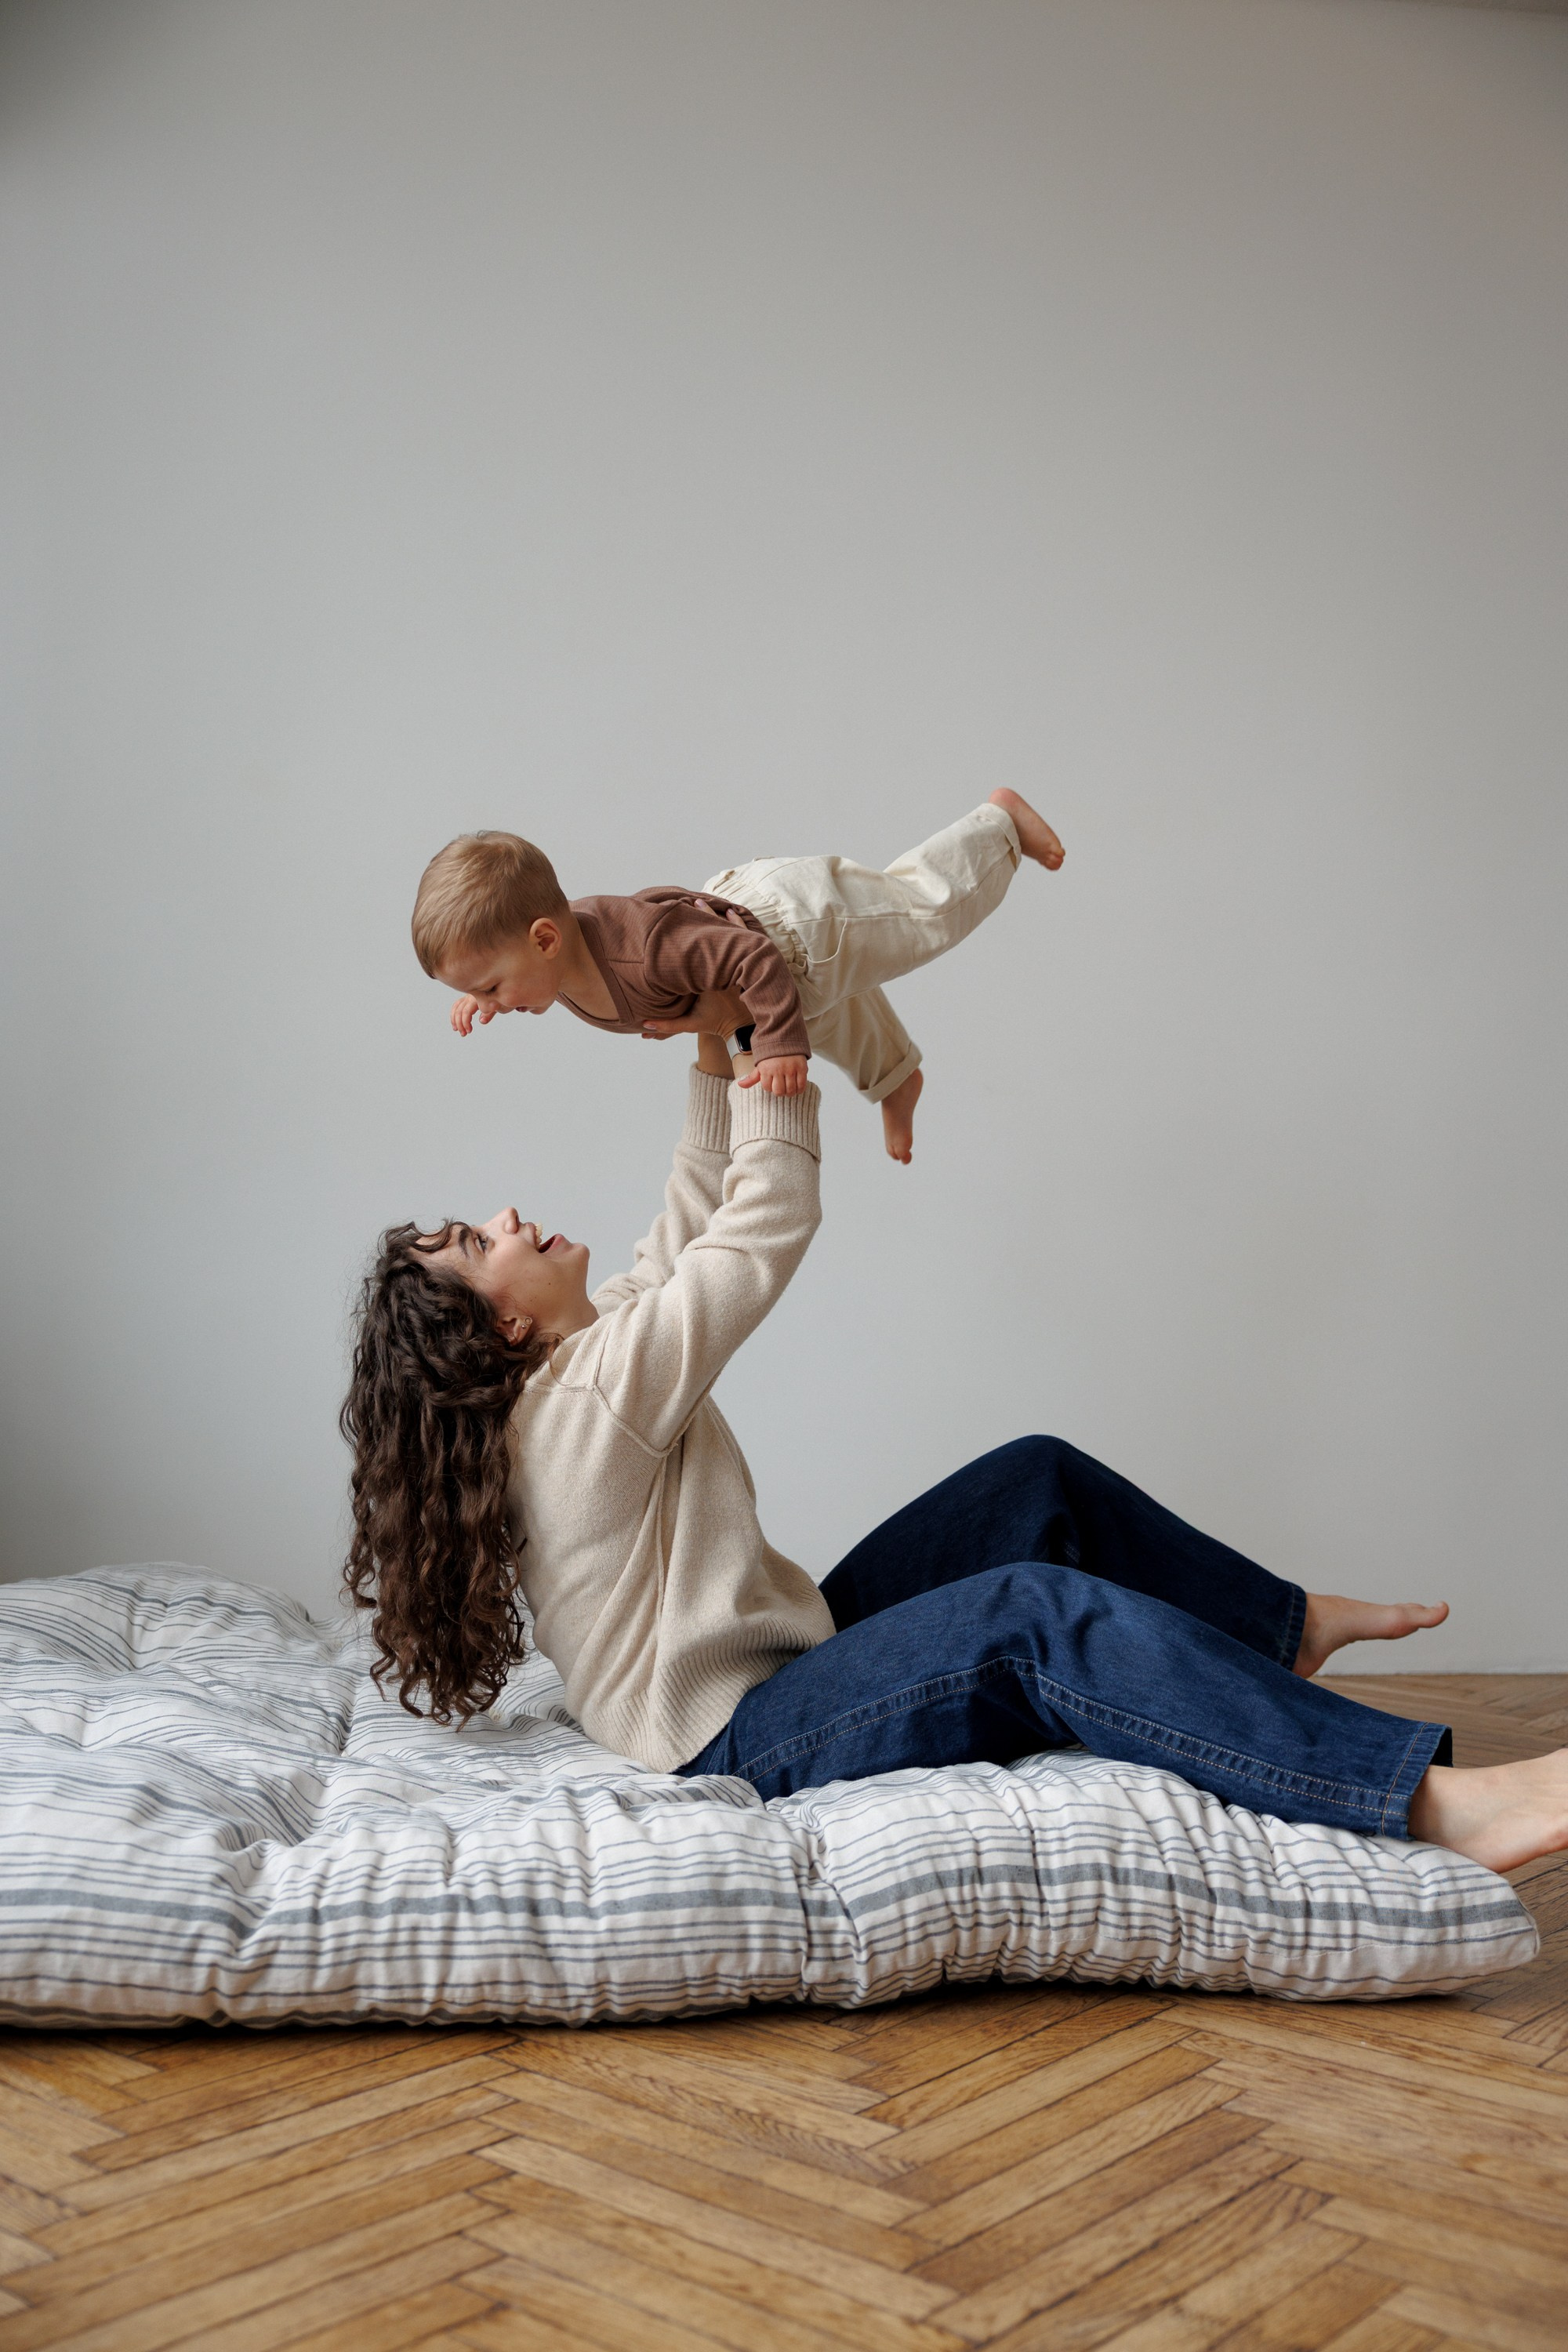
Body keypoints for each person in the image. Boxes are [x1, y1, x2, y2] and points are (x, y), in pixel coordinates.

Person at [340, 1027, 1568, 1876]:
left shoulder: (578, 1371)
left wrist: (710, 1046)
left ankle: (1274, 1631)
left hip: (776, 1651)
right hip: (734, 1736)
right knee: (1031, 1615)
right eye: (475, 1237)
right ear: (500, 1323)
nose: (504, 1217)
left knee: (1031, 1481)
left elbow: (679, 1227)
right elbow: (758, 1230)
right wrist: (776, 1049)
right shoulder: (589, 1398)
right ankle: (1422, 1802)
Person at [408, 790, 1063, 1163]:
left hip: (790, 930)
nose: (488, 1002)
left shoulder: (646, 953)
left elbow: (752, 962)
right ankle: (896, 1077)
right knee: (831, 1015)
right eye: (475, 992)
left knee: (922, 913)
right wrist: (487, 994)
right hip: (749, 960)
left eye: (491, 987)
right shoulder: (557, 959)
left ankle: (998, 824)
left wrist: (774, 1046)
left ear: (544, 939)